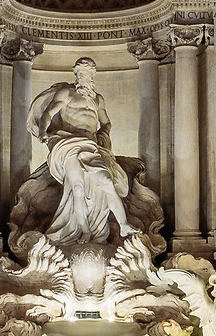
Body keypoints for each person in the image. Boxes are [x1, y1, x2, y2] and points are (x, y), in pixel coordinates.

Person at [27, 57, 135, 246]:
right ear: (75, 73)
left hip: (91, 147)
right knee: (77, 188)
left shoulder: (98, 99)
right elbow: (48, 114)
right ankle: (84, 231)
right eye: (81, 72)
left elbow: (106, 122)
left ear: (93, 74)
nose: (84, 76)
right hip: (68, 144)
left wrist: (103, 135)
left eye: (88, 72)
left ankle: (124, 224)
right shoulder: (66, 93)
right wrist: (43, 132)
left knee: (107, 181)